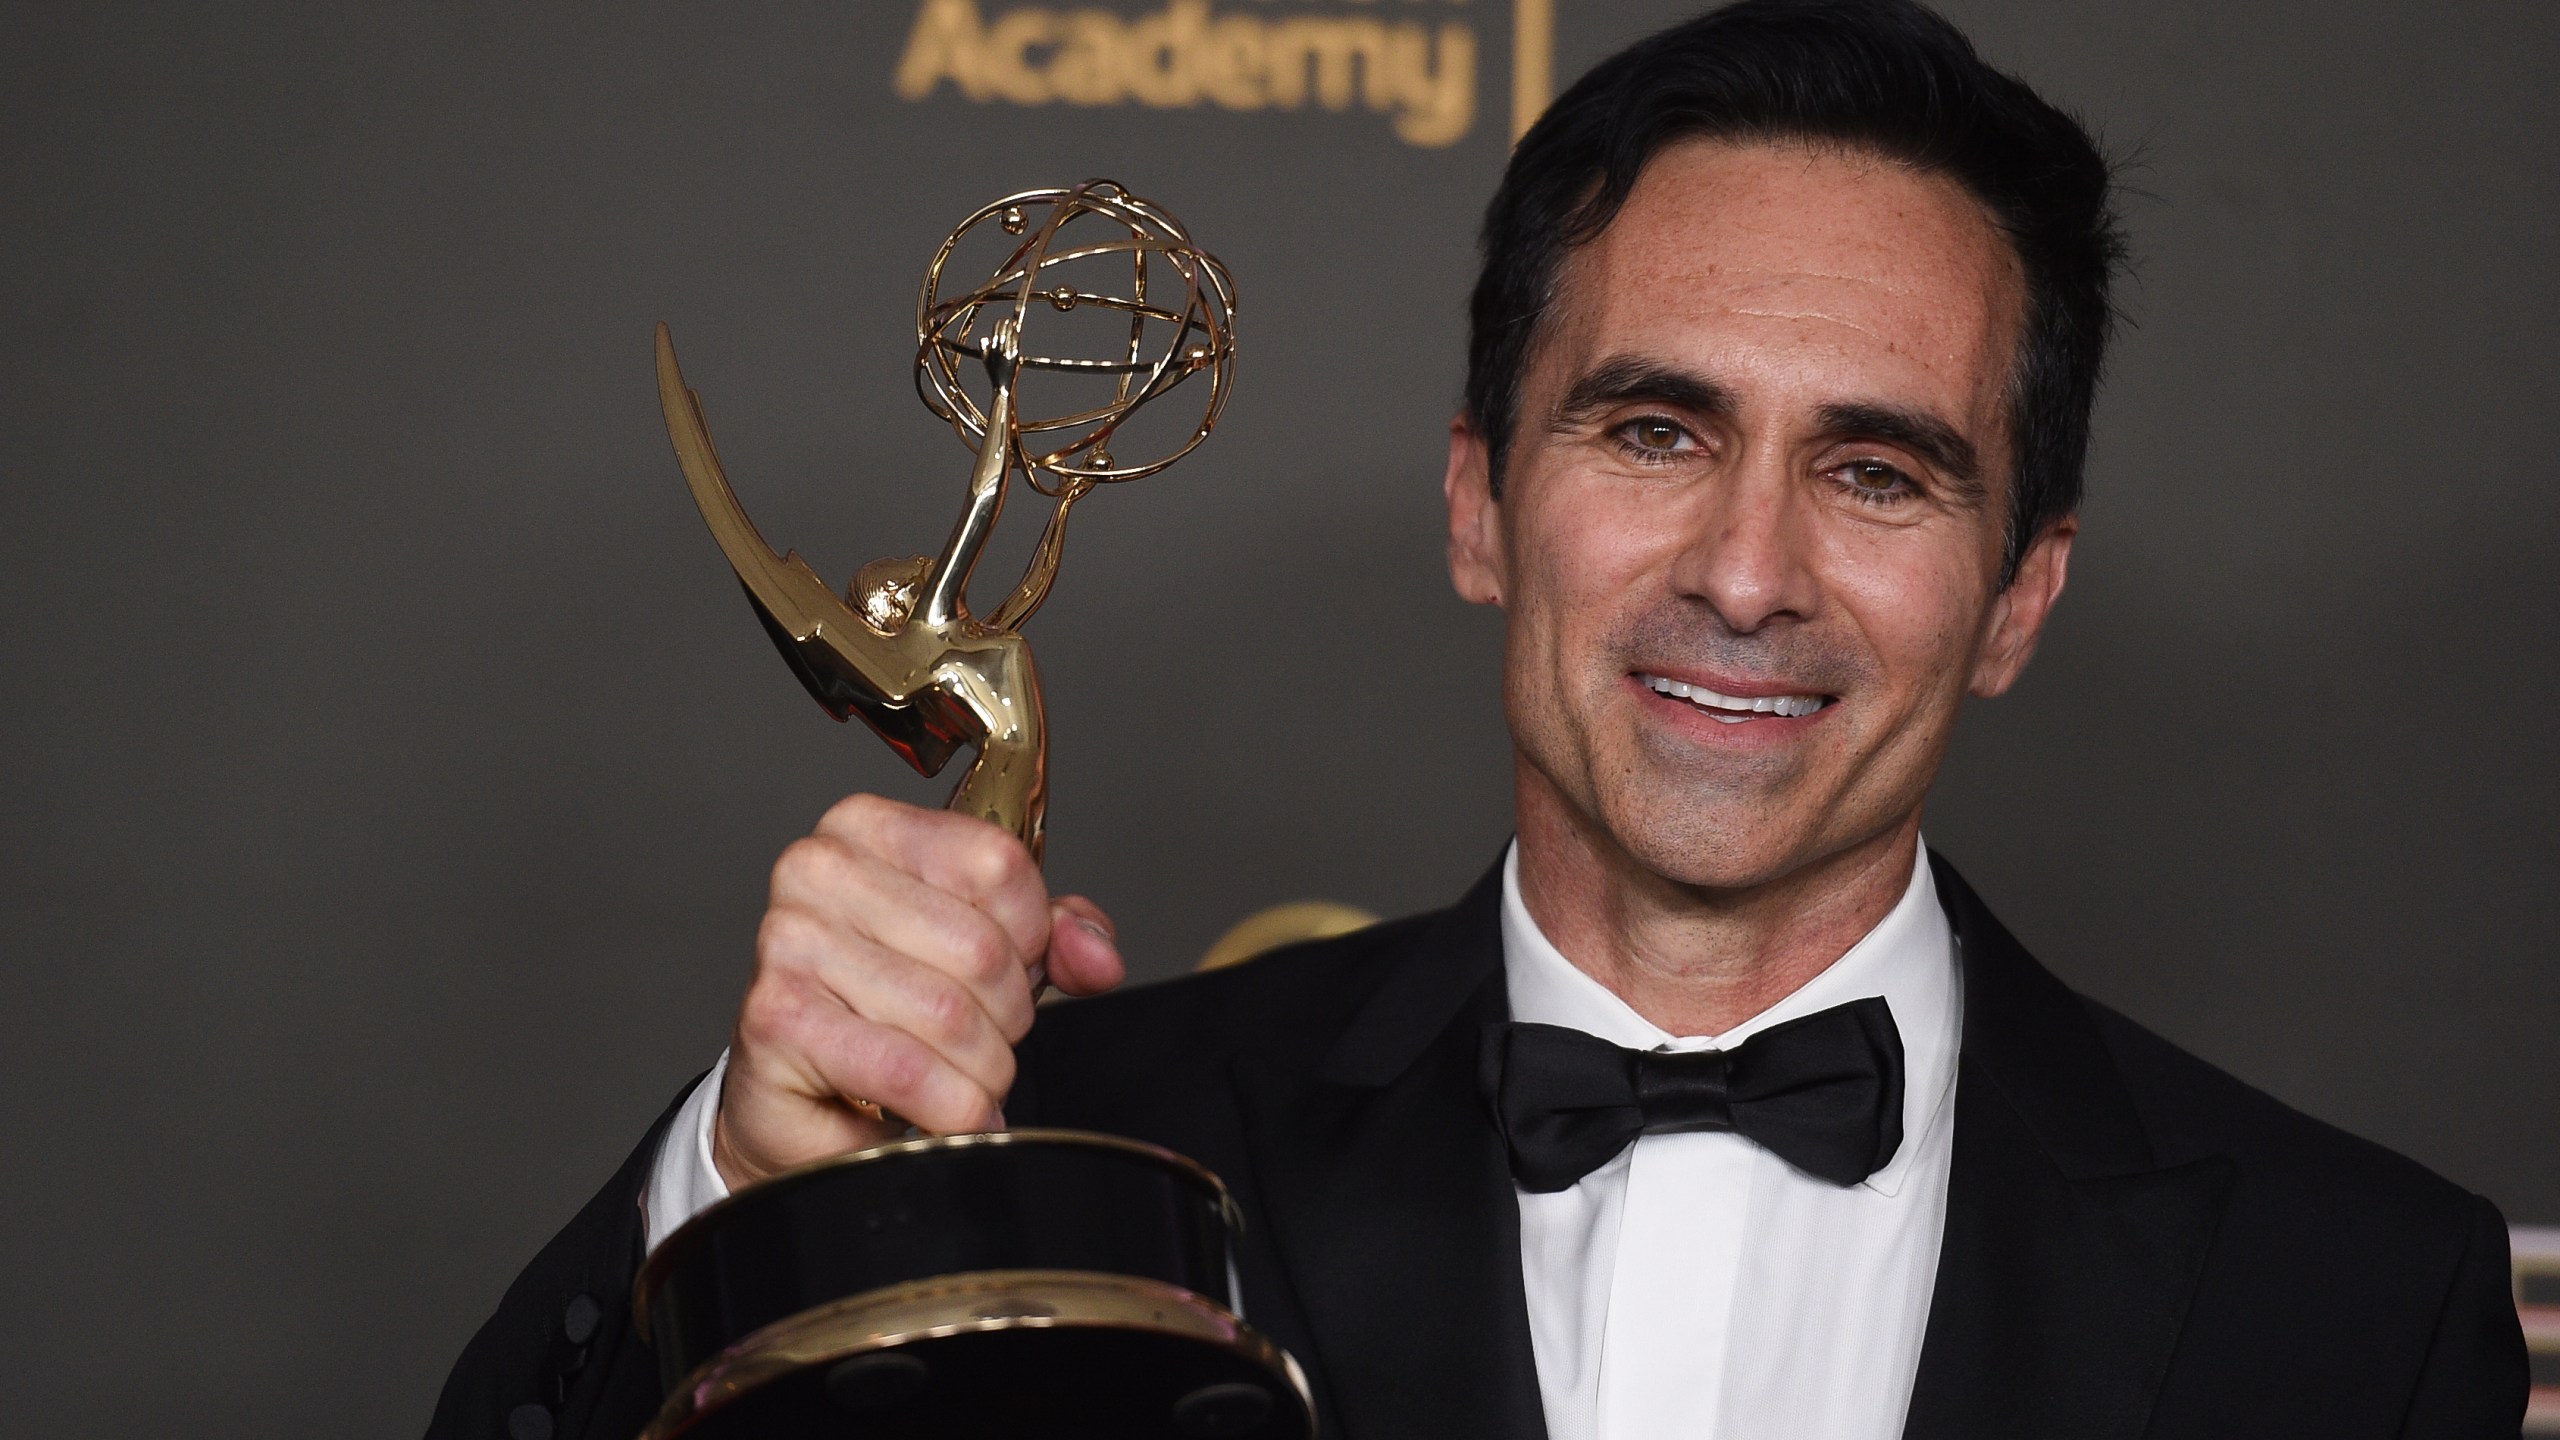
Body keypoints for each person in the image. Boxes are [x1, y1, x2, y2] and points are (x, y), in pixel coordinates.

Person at [428, 2, 2529, 1436]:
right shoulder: (1059, 1149)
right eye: (1650, 427)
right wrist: (750, 1175)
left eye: (1877, 472)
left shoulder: (2351, 1297)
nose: (1743, 567)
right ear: (1476, 503)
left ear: (2017, 599)